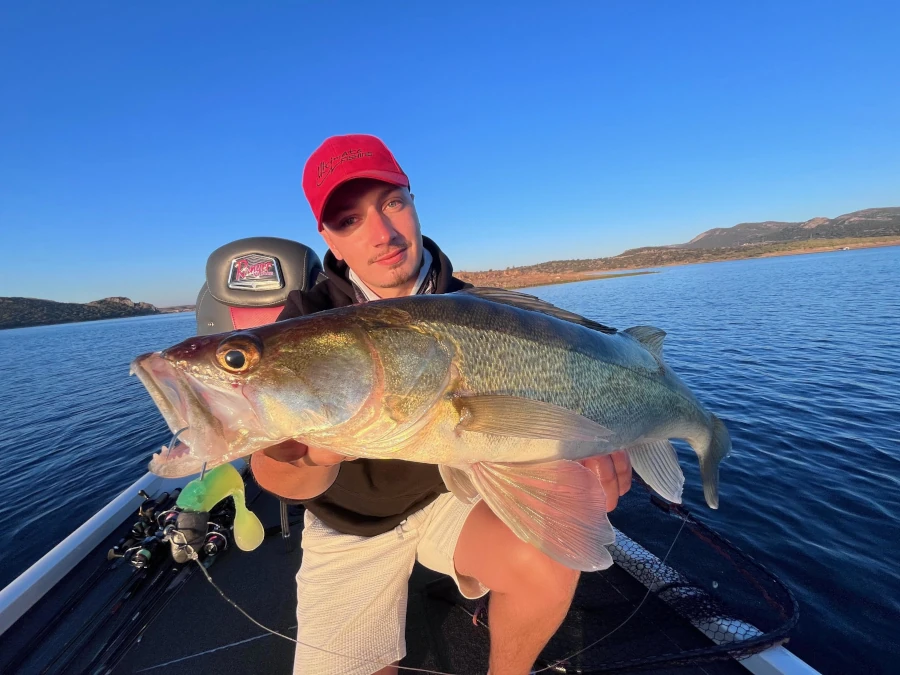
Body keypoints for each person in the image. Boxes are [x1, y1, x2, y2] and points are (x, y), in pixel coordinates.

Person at [249, 134, 633, 675]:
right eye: (349, 220)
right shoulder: (300, 329)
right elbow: (272, 473)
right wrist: (319, 453)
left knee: (549, 547)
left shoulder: (482, 313)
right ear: (328, 239)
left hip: (453, 492)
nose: (382, 234)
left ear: (413, 200)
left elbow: (537, 407)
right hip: (349, 524)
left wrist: (578, 443)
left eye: (392, 203)